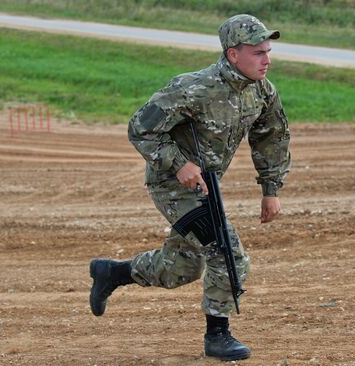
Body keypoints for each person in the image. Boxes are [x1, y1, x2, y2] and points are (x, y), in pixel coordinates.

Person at [89, 14, 291, 361]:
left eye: (268, 51)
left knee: (183, 267)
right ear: (233, 54)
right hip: (172, 184)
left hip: (207, 186)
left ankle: (112, 272)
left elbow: (271, 137)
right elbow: (140, 128)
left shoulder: (261, 91)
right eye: (258, 53)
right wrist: (178, 163)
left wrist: (270, 190)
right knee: (227, 254)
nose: (267, 59)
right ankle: (218, 335)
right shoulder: (193, 88)